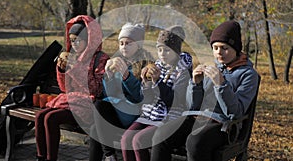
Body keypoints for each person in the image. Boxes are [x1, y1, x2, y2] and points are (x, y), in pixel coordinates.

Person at [150, 20, 259, 161]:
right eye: (215, 48)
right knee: (161, 135)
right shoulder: (211, 66)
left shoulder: (248, 75)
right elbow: (192, 106)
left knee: (194, 141)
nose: (219, 52)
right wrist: (195, 84)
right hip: (195, 118)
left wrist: (221, 84)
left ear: (236, 49)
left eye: (224, 48)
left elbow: (235, 112)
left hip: (223, 125)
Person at [35, 15, 109, 161]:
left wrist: (75, 69)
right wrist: (62, 70)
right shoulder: (73, 55)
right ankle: (40, 157)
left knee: (51, 118)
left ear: (88, 39)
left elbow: (96, 89)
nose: (74, 44)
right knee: (40, 116)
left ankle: (51, 158)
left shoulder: (100, 59)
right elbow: (65, 88)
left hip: (89, 105)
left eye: (78, 40)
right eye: (72, 40)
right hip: (71, 101)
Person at [120, 25, 192, 161]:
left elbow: (174, 101)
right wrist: (146, 82)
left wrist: (158, 81)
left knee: (138, 140)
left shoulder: (183, 72)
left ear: (176, 52)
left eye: (167, 50)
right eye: (159, 50)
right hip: (149, 114)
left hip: (169, 117)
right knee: (126, 139)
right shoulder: (156, 67)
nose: (162, 54)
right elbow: (146, 99)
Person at [89, 23, 154, 161]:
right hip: (118, 113)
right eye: (121, 43)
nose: (124, 46)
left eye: (129, 43)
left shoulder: (146, 64)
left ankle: (109, 156)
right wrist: (109, 77)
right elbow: (110, 95)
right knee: (95, 128)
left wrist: (126, 76)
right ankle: (109, 155)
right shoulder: (117, 62)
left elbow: (139, 98)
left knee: (99, 108)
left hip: (134, 114)